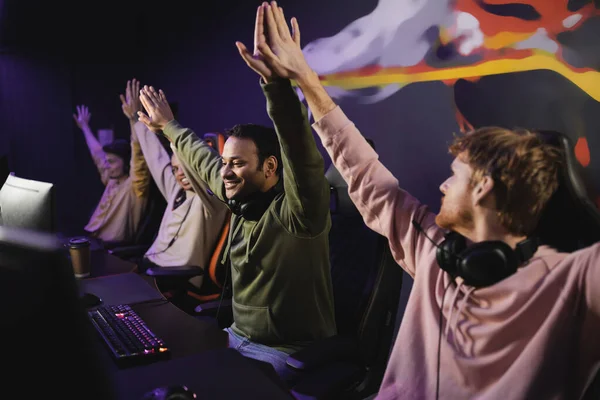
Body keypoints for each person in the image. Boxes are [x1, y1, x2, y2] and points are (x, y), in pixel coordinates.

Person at [246, 2, 600, 399]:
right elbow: (366, 175)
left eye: (455, 176)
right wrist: (306, 82)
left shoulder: (573, 282)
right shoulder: (434, 250)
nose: (444, 187)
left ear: (483, 187)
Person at [136, 35, 337, 384]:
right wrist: (168, 127)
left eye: (238, 163)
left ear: (270, 168)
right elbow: (203, 160)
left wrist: (277, 87)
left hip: (285, 353)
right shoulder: (240, 199)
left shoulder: (300, 213)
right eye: (226, 162)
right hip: (233, 338)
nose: (226, 171)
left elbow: (302, 157)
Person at [120, 78, 230, 289]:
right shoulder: (176, 191)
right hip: (148, 267)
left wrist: (169, 128)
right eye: (175, 169)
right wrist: (136, 118)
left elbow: (196, 167)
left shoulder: (211, 201)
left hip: (174, 279)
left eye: (184, 169)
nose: (180, 175)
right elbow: (156, 158)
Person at [73, 100, 148, 244]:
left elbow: (138, 154)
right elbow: (97, 154)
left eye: (112, 161)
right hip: (92, 239)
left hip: (111, 248)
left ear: (126, 163)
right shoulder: (111, 179)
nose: (106, 165)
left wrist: (133, 118)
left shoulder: (135, 185)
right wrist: (84, 127)